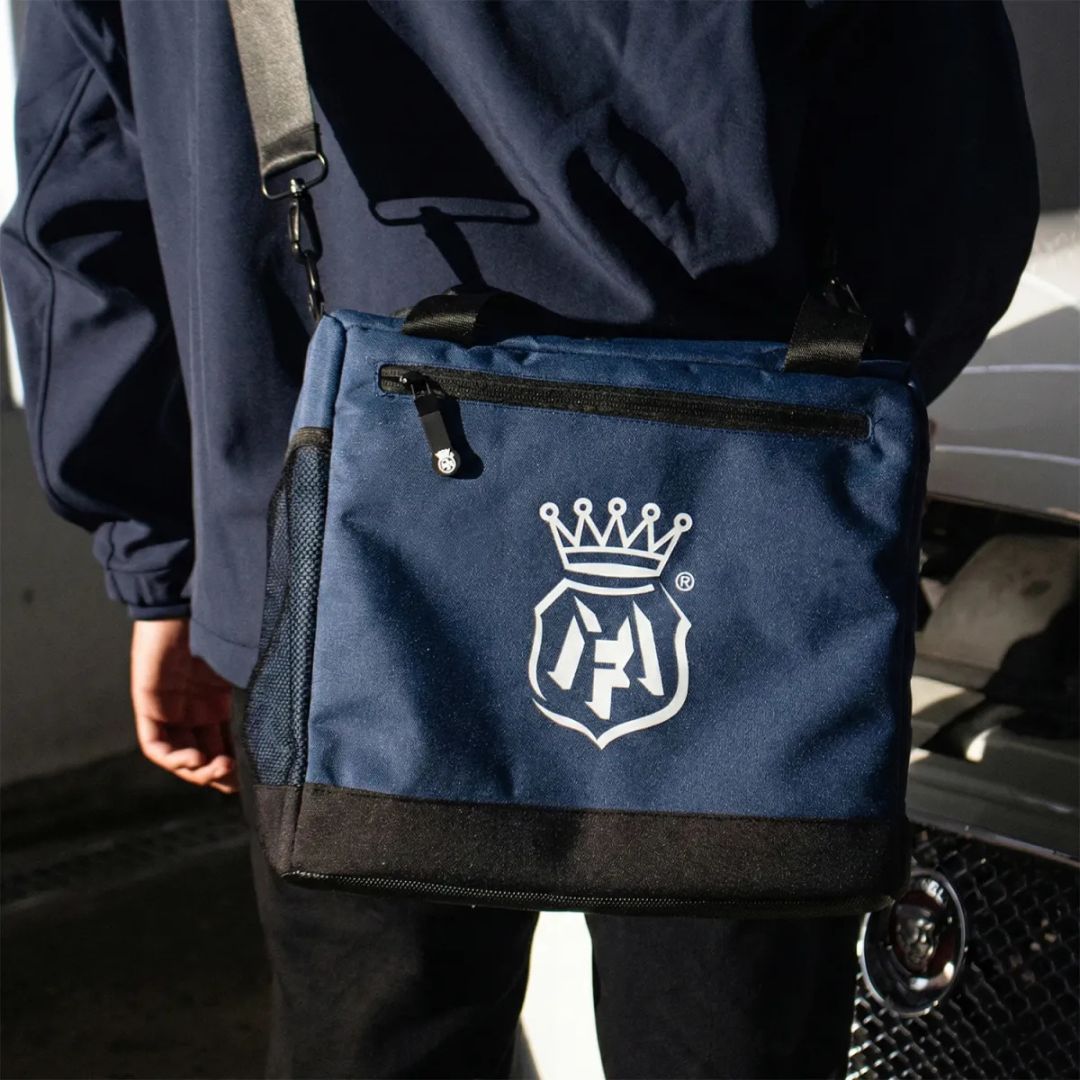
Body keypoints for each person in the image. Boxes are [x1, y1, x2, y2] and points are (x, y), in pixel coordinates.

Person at [2, 2, 1037, 1077]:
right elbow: (947, 174)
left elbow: (81, 196)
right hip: (742, 554)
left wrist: (161, 560)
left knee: (380, 1042)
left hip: (324, 575)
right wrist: (842, 413)